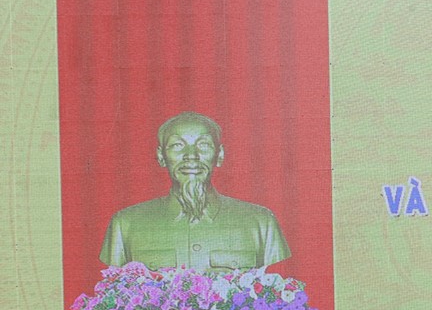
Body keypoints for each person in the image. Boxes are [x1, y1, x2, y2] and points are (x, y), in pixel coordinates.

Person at [100, 111, 290, 271]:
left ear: (219, 155)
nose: (191, 156)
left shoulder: (261, 223)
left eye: (203, 145)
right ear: (161, 156)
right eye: (177, 145)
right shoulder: (125, 225)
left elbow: (277, 296)